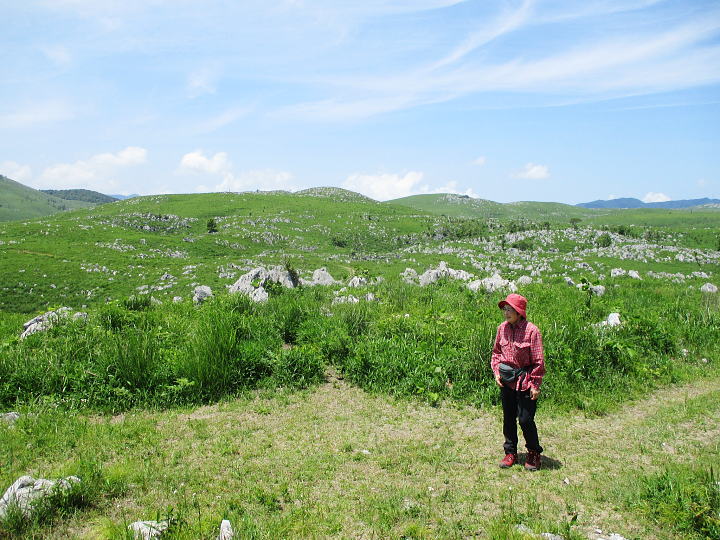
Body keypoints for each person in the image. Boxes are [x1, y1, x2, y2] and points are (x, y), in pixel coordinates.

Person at [490, 293, 546, 471]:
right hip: (506, 381)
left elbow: (538, 361)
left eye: (510, 309)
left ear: (520, 312)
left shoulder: (532, 331)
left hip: (525, 382)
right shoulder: (502, 329)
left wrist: (535, 385)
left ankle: (534, 453)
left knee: (525, 419)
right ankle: (510, 452)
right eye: (505, 309)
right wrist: (497, 371)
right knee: (508, 419)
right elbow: (496, 353)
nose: (506, 312)